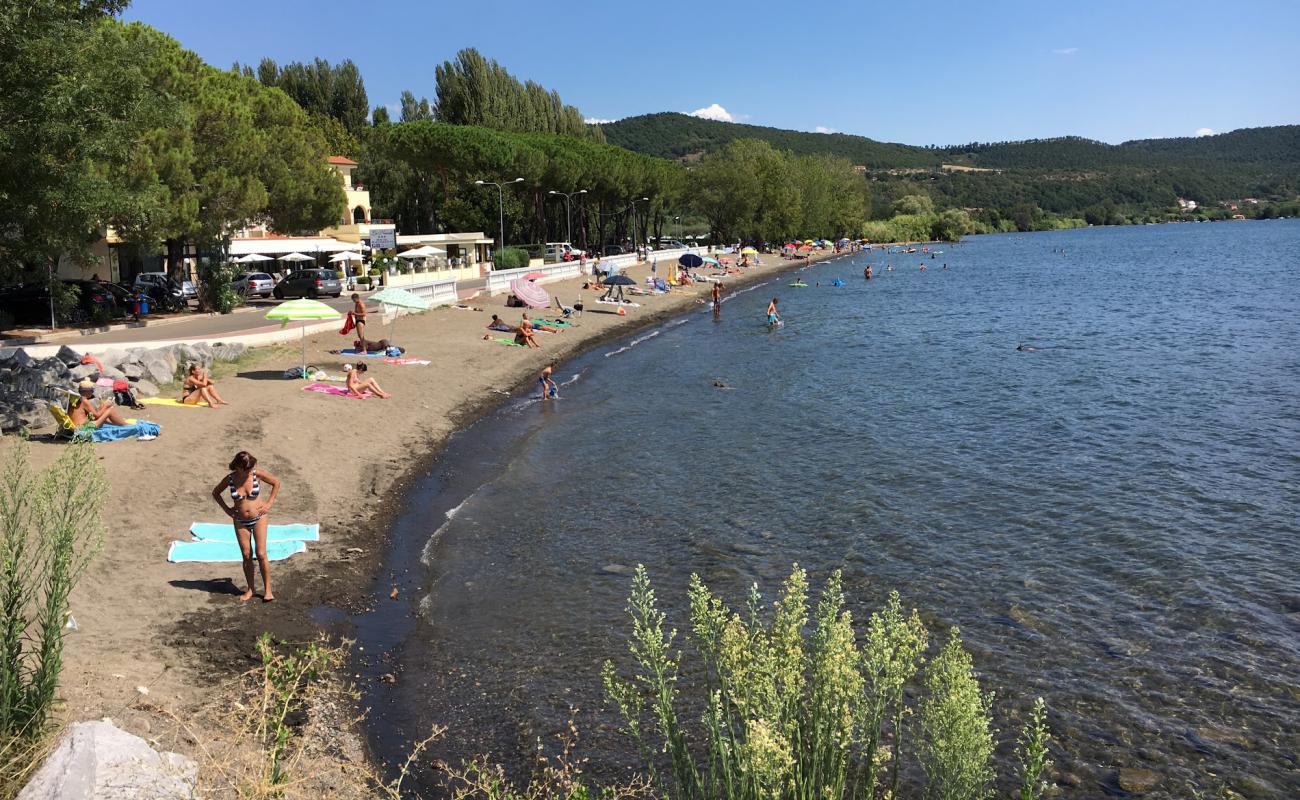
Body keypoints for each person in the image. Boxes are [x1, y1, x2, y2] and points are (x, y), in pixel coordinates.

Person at [211, 451, 281, 602]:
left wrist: (269, 503)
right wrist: (227, 510)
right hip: (240, 521)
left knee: (261, 554)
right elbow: (216, 493)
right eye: (248, 468)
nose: (251, 470)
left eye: (252, 467)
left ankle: (268, 590)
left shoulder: (257, 475)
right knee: (246, 554)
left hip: (259, 518)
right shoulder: (230, 479)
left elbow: (276, 482)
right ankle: (251, 589)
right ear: (239, 467)